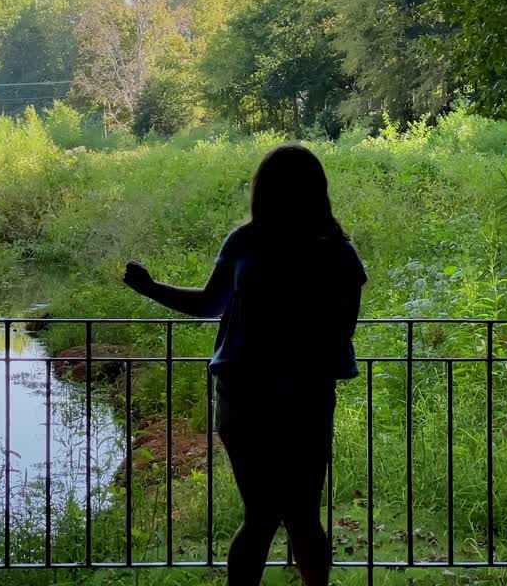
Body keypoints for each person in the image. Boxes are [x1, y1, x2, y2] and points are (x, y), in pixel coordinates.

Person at [123, 144, 365, 586]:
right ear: (318, 190)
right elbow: (342, 329)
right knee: (301, 517)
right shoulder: (337, 251)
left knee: (263, 516)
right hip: (304, 396)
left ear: (262, 190)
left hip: (246, 395)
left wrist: (150, 288)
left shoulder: (247, 242)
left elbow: (209, 303)